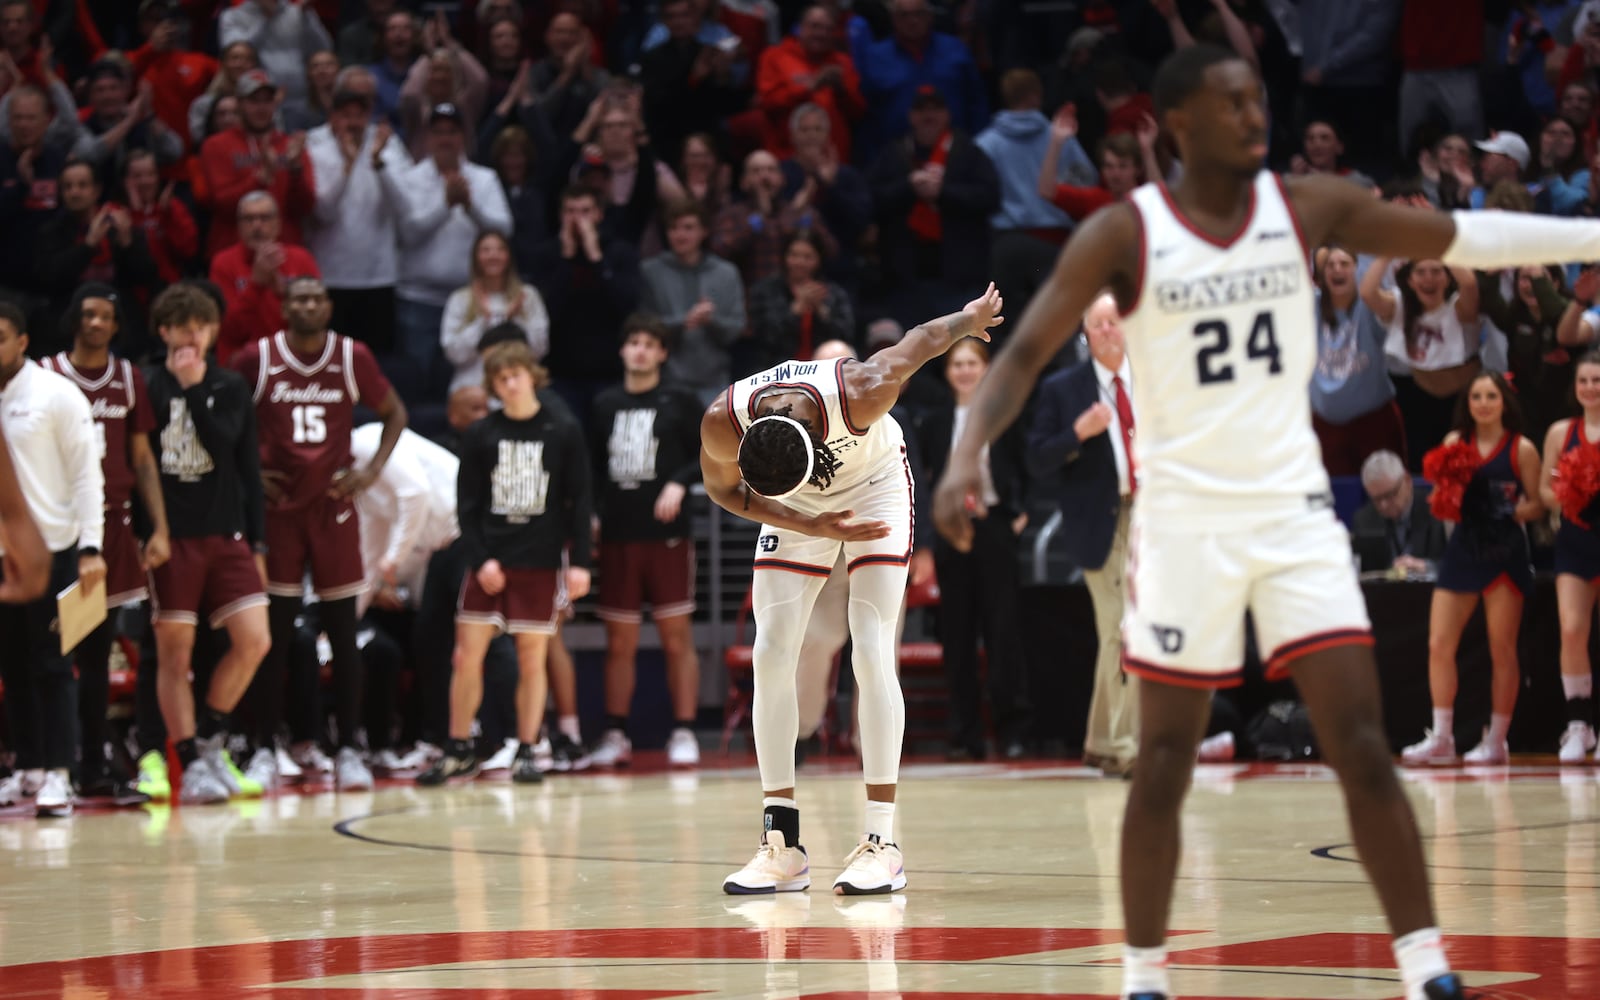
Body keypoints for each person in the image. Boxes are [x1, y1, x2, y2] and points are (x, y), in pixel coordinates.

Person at [919, 41, 1594, 1000]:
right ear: (1178, 122)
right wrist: (964, 458)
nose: (1254, 115)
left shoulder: (1304, 205)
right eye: (1232, 103)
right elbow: (1024, 353)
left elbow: (1453, 238)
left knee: (1360, 740)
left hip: (1292, 518)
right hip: (1184, 525)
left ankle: (1424, 965)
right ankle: (1144, 975)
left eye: (1257, 99)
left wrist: (1589, 238)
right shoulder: (1128, 233)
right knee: (1160, 761)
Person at [704, 282, 1005, 896]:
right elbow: (724, 491)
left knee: (871, 647)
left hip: (875, 487)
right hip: (792, 507)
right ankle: (781, 844)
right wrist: (806, 519)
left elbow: (921, 340)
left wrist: (968, 317)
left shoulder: (863, 392)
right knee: (771, 652)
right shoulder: (721, 421)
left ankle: (882, 843)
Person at [230, 276, 408, 791]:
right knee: (276, 635)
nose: (307, 305)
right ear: (284, 306)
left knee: (344, 633)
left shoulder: (352, 356)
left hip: (333, 510)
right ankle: (267, 745)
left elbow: (395, 412)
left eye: (316, 298)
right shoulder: (256, 358)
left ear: (328, 307)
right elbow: (221, 417)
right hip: (280, 512)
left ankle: (349, 749)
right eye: (298, 298)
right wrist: (247, 474)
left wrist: (371, 471)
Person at [418, 341, 593, 786]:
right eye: (500, 379)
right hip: (491, 561)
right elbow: (467, 506)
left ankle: (528, 748)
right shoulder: (481, 434)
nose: (509, 384)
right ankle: (458, 748)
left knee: (532, 658)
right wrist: (480, 560)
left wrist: (581, 564)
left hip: (540, 561)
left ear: (532, 375)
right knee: (465, 656)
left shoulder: (562, 429)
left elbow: (580, 501)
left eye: (515, 374)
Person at [139, 283, 273, 806]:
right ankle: (190, 762)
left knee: (254, 639)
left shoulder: (229, 385)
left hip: (227, 535)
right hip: (173, 540)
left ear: (214, 330)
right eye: (182, 324)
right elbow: (140, 464)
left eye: (202, 324)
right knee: (175, 653)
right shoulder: (147, 384)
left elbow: (237, 461)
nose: (192, 332)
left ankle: (211, 740)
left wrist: (258, 545)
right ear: (165, 331)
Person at [40, 286, 171, 802]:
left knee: (96, 656)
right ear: (74, 318)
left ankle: (91, 764)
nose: (95, 322)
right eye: (88, 313)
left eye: (106, 316)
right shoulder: (46, 374)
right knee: (52, 653)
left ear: (117, 327)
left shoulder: (127, 377)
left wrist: (157, 527)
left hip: (111, 531)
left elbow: (141, 460)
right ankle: (48, 762)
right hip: (56, 528)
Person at [1024, 291, 1139, 777]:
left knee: (1134, 628)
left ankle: (1100, 739)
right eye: (1098, 324)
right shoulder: (1064, 388)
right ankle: (1131, 748)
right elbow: (1037, 459)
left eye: (1115, 321)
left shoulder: (1155, 381)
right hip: (1101, 519)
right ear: (1085, 334)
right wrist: (1078, 433)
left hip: (1153, 515)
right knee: (1122, 628)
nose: (1108, 330)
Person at [1403, 372, 1541, 767]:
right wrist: (1451, 499)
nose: (1483, 403)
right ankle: (1442, 737)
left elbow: (1538, 503)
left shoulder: (1522, 449)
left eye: (1491, 396)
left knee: (1502, 648)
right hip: (1463, 549)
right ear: (1468, 403)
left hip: (1504, 551)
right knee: (1438, 644)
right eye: (1476, 396)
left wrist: (1509, 510)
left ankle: (1497, 740)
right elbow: (1442, 499)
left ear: (1504, 402)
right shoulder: (1454, 443)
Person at [0, 301, 104, 817]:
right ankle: (29, 767)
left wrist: (91, 547)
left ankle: (62, 773)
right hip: (3, 560)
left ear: (21, 342)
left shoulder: (55, 394)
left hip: (57, 552)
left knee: (53, 666)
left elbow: (87, 473)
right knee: (11, 666)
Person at [588, 314, 705, 768]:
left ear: (662, 354)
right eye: (632, 342)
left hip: (668, 539)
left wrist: (679, 482)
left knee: (677, 638)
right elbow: (593, 469)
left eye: (648, 344)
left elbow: (709, 450)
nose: (639, 350)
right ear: (622, 351)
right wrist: (593, 515)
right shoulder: (604, 404)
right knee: (620, 643)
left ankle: (685, 730)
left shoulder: (678, 401)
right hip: (618, 537)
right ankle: (616, 732)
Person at [918, 338, 1030, 761]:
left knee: (1003, 632)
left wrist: (1021, 514)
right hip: (950, 532)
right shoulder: (936, 421)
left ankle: (1012, 729)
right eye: (957, 364)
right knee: (957, 635)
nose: (965, 370)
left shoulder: (1004, 411)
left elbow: (1024, 465)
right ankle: (965, 734)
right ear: (948, 372)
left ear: (986, 368)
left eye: (972, 363)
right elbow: (927, 481)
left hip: (995, 526)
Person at [1541, 352, 1600, 764]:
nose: (1591, 388)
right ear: (1574, 387)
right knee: (1572, 628)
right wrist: (1569, 494)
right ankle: (1579, 726)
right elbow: (1545, 489)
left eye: (1597, 380)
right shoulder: (1561, 432)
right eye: (1584, 381)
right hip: (1575, 541)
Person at [1351, 450, 1445, 574]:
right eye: (1376, 499)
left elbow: (1457, 565)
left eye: (1390, 495)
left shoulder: (1436, 510)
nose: (1383, 505)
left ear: (1407, 481)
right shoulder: (1364, 520)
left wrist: (1427, 567)